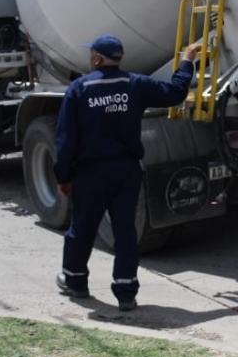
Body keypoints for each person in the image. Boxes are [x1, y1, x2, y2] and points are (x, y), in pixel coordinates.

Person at [54, 34, 201, 311]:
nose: (90, 57)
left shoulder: (79, 89)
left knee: (83, 227)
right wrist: (186, 61)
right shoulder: (135, 84)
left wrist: (63, 176)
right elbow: (175, 93)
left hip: (91, 173)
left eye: (91, 54)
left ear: (97, 58)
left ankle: (75, 281)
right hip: (125, 171)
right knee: (124, 231)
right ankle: (125, 293)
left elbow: (65, 140)